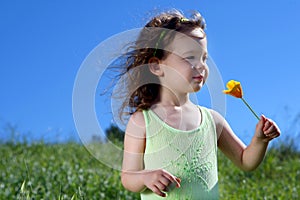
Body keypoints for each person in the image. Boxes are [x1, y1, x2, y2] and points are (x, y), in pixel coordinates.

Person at [119, 9, 281, 199]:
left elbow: (245, 161)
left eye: (204, 58)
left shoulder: (212, 120)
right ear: (156, 66)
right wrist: (145, 177)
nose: (202, 66)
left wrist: (260, 141)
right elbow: (128, 176)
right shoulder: (142, 121)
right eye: (190, 58)